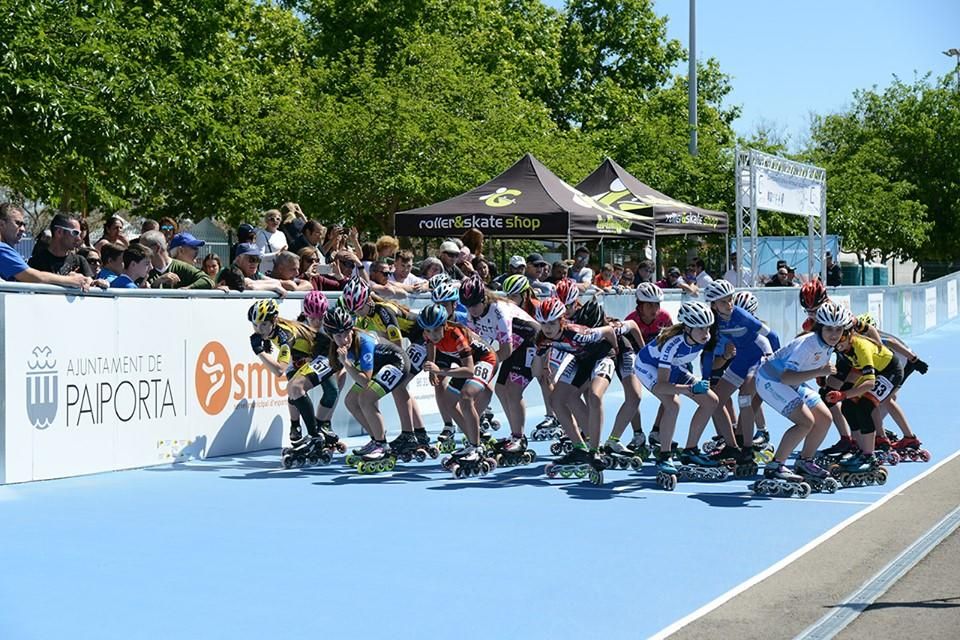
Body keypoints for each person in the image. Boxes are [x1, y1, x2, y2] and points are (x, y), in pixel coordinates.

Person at [754, 301, 849, 496]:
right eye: (830, 329)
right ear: (820, 327)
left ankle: (805, 461)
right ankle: (775, 466)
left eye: (839, 329)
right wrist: (820, 371)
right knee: (805, 422)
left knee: (824, 418)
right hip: (770, 379)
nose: (834, 334)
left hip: (791, 382)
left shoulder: (827, 344)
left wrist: (820, 373)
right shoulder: (808, 344)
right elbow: (786, 377)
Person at [633, 301, 721, 491]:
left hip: (673, 367)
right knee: (673, 404)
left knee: (711, 401)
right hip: (647, 367)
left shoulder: (704, 338)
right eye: (701, 329)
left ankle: (690, 450)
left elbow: (706, 361)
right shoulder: (672, 344)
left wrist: (701, 383)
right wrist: (689, 389)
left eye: (708, 328)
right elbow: (662, 386)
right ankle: (664, 455)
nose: (706, 333)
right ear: (688, 328)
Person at [248, 298, 345, 468]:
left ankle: (317, 435)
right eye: (255, 325)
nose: (258, 329)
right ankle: (308, 429)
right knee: (294, 387)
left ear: (274, 320)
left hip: (327, 354)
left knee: (298, 387)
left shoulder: (285, 335)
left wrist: (259, 351)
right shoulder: (274, 330)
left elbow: (279, 370)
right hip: (307, 355)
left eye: (263, 325)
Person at [534, 297, 619, 485]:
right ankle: (580, 447)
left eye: (551, 323)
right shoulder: (542, 337)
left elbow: (608, 331)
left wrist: (616, 349)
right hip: (580, 360)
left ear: (561, 320)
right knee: (556, 400)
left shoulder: (577, 333)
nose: (547, 328)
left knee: (595, 396)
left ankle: (595, 450)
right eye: (543, 323)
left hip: (602, 355)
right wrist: (542, 360)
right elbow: (535, 371)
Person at [701, 280, 779, 468]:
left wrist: (775, 363)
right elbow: (709, 352)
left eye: (730, 300)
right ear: (713, 304)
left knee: (744, 398)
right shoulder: (713, 321)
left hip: (759, 356)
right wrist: (704, 379)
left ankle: (747, 449)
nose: (729, 305)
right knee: (714, 400)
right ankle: (731, 446)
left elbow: (772, 336)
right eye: (723, 302)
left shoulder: (740, 315)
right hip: (741, 360)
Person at [325, 306, 411, 474]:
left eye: (346, 333)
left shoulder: (364, 341)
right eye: (338, 336)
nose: (343, 340)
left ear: (351, 329)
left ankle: (382, 445)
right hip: (380, 366)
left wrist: (346, 363)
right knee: (350, 401)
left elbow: (365, 380)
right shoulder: (337, 347)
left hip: (397, 362)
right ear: (331, 336)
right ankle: (375, 439)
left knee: (366, 399)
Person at [418, 303, 500, 477]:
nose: (432, 336)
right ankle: (473, 440)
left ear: (444, 325)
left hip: (486, 360)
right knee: (448, 402)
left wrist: (439, 370)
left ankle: (476, 447)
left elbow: (469, 371)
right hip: (467, 363)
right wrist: (432, 366)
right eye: (428, 331)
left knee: (466, 397)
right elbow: (430, 345)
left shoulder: (457, 335)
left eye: (436, 331)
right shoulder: (429, 334)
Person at [0, 203, 92, 289]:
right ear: (1, 224)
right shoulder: (2, 250)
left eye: (24, 224)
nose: (23, 229)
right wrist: (71, 280)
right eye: (18, 223)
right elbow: (34, 277)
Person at [138, 230, 214, 289]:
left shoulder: (182, 267)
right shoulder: (141, 269)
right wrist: (156, 283)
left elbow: (208, 281)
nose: (140, 252)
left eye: (143, 249)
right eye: (194, 248)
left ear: (157, 248)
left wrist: (186, 290)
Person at [28, 213, 97, 278]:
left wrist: (99, 283)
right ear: (59, 232)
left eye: (79, 233)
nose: (79, 238)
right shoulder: (36, 262)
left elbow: (90, 283)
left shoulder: (80, 261)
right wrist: (69, 280)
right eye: (75, 233)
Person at [255, 209, 288, 274]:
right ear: (267, 221)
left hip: (281, 270)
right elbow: (259, 257)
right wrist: (276, 254)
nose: (275, 221)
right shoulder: (261, 235)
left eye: (278, 219)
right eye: (272, 219)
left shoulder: (281, 234)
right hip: (267, 272)